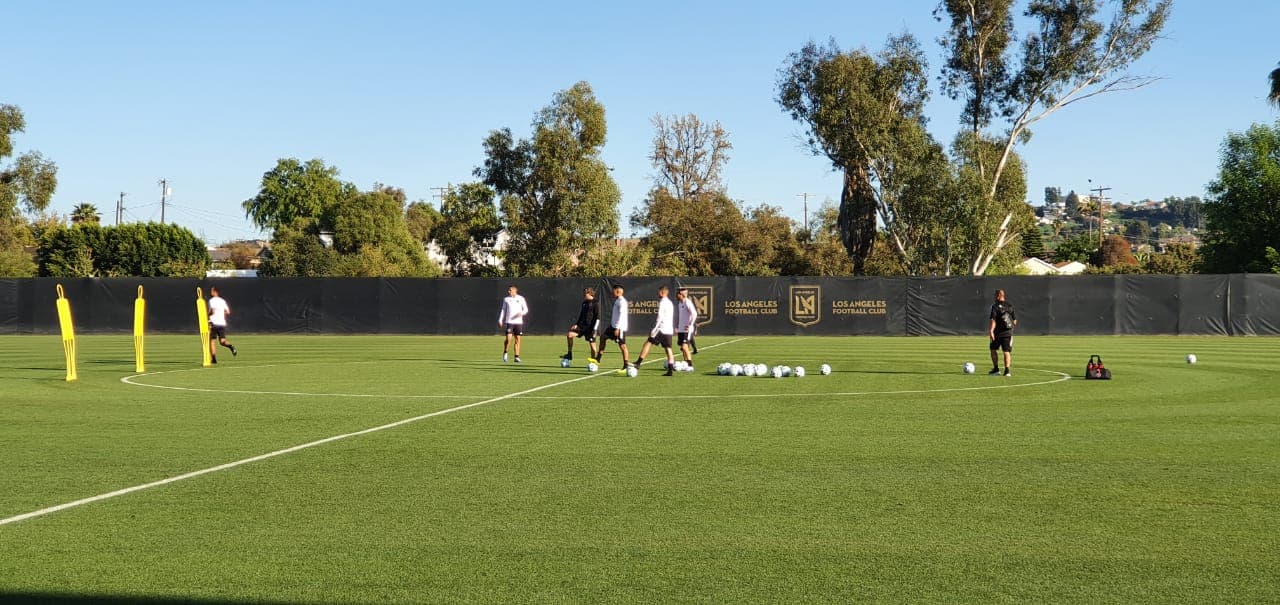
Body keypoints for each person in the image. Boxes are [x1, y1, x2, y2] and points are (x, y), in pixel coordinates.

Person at [635, 284, 677, 376]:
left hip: (661, 329)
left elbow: (660, 317)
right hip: (668, 329)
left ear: (662, 292)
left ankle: (638, 363)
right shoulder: (670, 303)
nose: (658, 294)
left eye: (659, 292)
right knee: (668, 349)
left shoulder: (662, 302)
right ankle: (670, 370)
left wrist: (654, 329)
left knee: (648, 342)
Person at [595, 283, 631, 371]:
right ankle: (598, 359)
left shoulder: (622, 302)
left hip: (619, 328)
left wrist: (618, 328)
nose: (612, 292)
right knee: (603, 337)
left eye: (613, 291)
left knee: (622, 346)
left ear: (617, 291)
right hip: (612, 327)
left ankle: (626, 365)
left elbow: (622, 316)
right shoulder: (617, 300)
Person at [561, 286, 600, 363]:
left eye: (585, 293)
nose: (584, 295)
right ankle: (569, 354)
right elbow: (581, 315)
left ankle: (593, 361)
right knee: (569, 335)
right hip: (582, 327)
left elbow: (598, 318)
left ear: (590, 293)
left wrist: (595, 329)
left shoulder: (595, 303)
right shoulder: (584, 303)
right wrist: (576, 324)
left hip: (591, 328)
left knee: (592, 346)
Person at [988, 289, 1017, 376]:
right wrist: (1010, 328)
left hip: (997, 332)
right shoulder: (1009, 305)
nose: (994, 297)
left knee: (993, 350)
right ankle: (1007, 371)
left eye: (995, 295)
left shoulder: (995, 306)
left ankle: (996, 369)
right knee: (1006, 351)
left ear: (998, 296)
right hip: (1008, 333)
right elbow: (1015, 321)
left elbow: (993, 320)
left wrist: (991, 331)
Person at [207, 286, 237, 364]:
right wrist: (220, 313)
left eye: (212, 291)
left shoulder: (212, 300)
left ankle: (213, 359)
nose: (211, 292)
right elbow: (228, 312)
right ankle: (231, 346)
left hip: (214, 323)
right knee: (222, 341)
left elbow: (213, 311)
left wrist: (207, 315)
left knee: (212, 341)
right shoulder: (222, 301)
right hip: (222, 323)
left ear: (214, 292)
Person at [498, 284, 528, 363]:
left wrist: (521, 313)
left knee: (518, 339)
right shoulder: (506, 299)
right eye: (509, 290)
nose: (509, 291)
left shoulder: (521, 298)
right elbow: (503, 310)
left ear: (515, 290)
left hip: (518, 322)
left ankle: (516, 357)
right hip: (509, 322)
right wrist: (500, 320)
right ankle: (505, 352)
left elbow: (526, 310)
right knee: (508, 339)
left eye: (510, 290)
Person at [674, 287, 697, 371]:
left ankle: (690, 365)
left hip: (686, 330)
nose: (676, 295)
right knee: (683, 348)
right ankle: (685, 364)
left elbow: (694, 314)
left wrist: (690, 324)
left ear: (682, 295)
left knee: (684, 347)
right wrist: (677, 327)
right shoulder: (680, 303)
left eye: (678, 294)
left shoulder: (688, 302)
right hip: (681, 329)